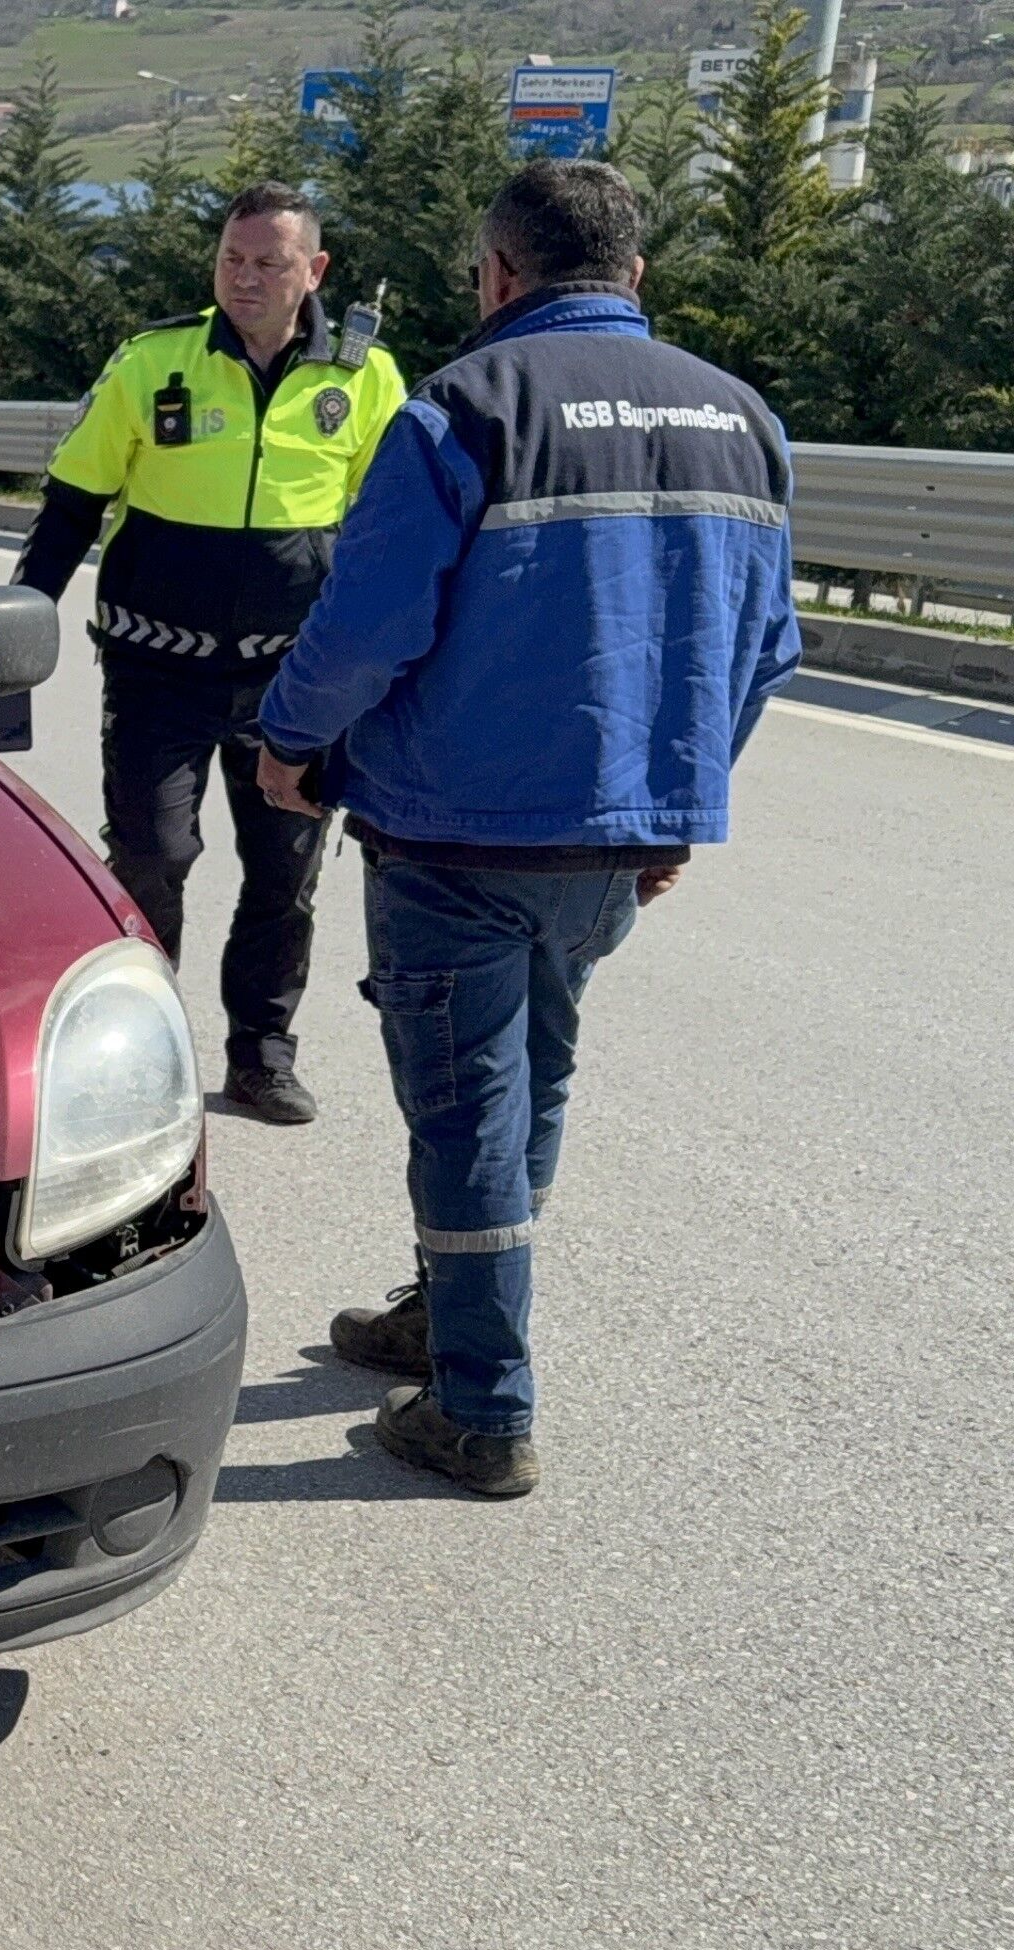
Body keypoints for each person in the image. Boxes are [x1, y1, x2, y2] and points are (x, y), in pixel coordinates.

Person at [253, 158, 799, 1497]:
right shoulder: (743, 420)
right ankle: (453, 1311)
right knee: (529, 1079)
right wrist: (676, 802)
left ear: (498, 276)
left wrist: (286, 739)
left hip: (457, 837)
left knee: (464, 1113)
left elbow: (371, 623)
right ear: (637, 278)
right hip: (614, 840)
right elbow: (764, 649)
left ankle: (484, 1404)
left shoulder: (464, 409)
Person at [14, 183, 406, 1128]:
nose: (245, 278)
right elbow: (73, 504)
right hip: (159, 671)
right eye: (232, 258)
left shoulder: (365, 381)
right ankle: (140, 1060)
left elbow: (392, 539)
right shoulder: (156, 362)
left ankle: (261, 1056)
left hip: (297, 684)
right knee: (153, 855)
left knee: (285, 873)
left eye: (269, 262)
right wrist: (21, 620)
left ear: (314, 273)